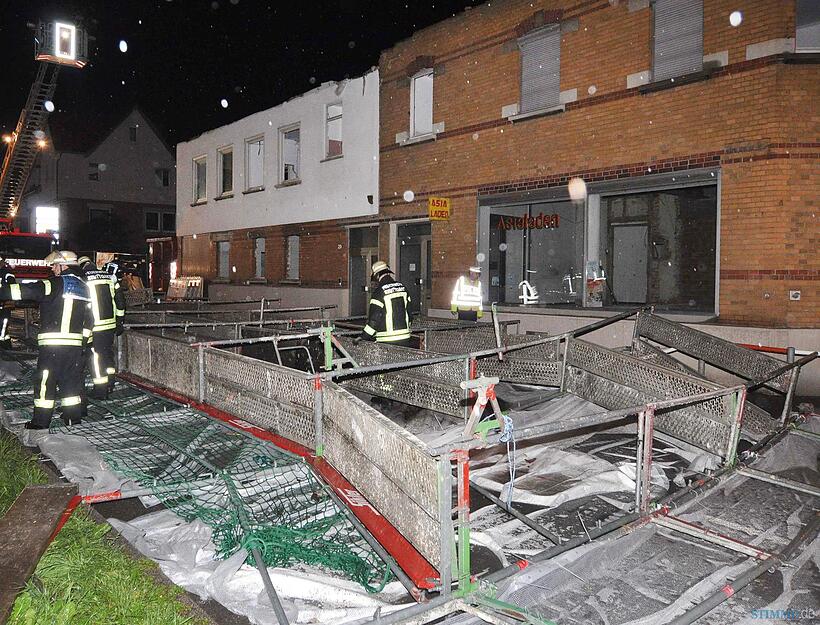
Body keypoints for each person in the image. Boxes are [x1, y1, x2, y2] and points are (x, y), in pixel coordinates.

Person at [0, 250, 93, 429]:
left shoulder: (53, 284)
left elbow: (24, 291)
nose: (52, 268)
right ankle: (73, 419)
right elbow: (90, 318)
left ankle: (40, 422)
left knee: (45, 382)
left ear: (63, 265)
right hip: (74, 347)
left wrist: (3, 291)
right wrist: (83, 341)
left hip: (53, 347)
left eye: (54, 264)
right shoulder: (84, 287)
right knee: (71, 383)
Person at [78, 256, 125, 398]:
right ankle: (110, 383)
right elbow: (120, 300)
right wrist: (120, 320)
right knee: (107, 354)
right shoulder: (110, 276)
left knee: (96, 358)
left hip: (94, 325)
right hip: (110, 324)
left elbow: (83, 305)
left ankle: (100, 389)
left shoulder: (83, 278)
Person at [361, 261, 412, 347]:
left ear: (377, 275)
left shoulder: (379, 292)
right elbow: (410, 313)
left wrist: (363, 337)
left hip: (386, 340)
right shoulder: (403, 288)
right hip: (405, 337)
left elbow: (374, 320)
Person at [0, 256, 16, 348]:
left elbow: (12, 288)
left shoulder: (7, 274)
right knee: (3, 324)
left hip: (4, 304)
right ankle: (5, 344)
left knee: (3, 324)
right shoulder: (8, 273)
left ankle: (4, 344)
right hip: (5, 304)